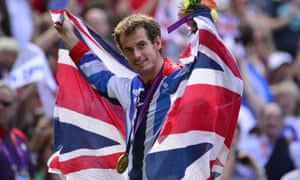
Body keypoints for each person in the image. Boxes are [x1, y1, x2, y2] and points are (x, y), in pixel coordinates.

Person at [53, 1, 241, 179]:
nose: (137, 55)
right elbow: (98, 76)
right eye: (129, 50)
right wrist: (68, 36)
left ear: (158, 43)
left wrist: (201, 21)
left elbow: (208, 60)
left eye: (141, 45)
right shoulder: (129, 88)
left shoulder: (181, 81)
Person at [0, 82, 35, 179]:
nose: (0, 107)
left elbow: (31, 173)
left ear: (14, 108)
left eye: (5, 104)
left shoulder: (20, 136)